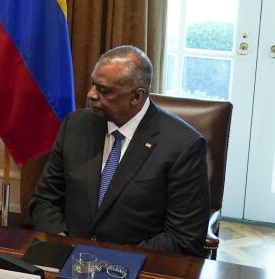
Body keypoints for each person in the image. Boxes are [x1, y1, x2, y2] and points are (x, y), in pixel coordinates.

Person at [29, 45, 210, 256]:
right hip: (68, 256)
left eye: (103, 90)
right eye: (93, 85)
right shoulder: (75, 126)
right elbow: (45, 199)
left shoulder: (183, 146)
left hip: (137, 271)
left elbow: (183, 238)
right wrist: (61, 242)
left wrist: (114, 260)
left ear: (136, 97)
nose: (91, 95)